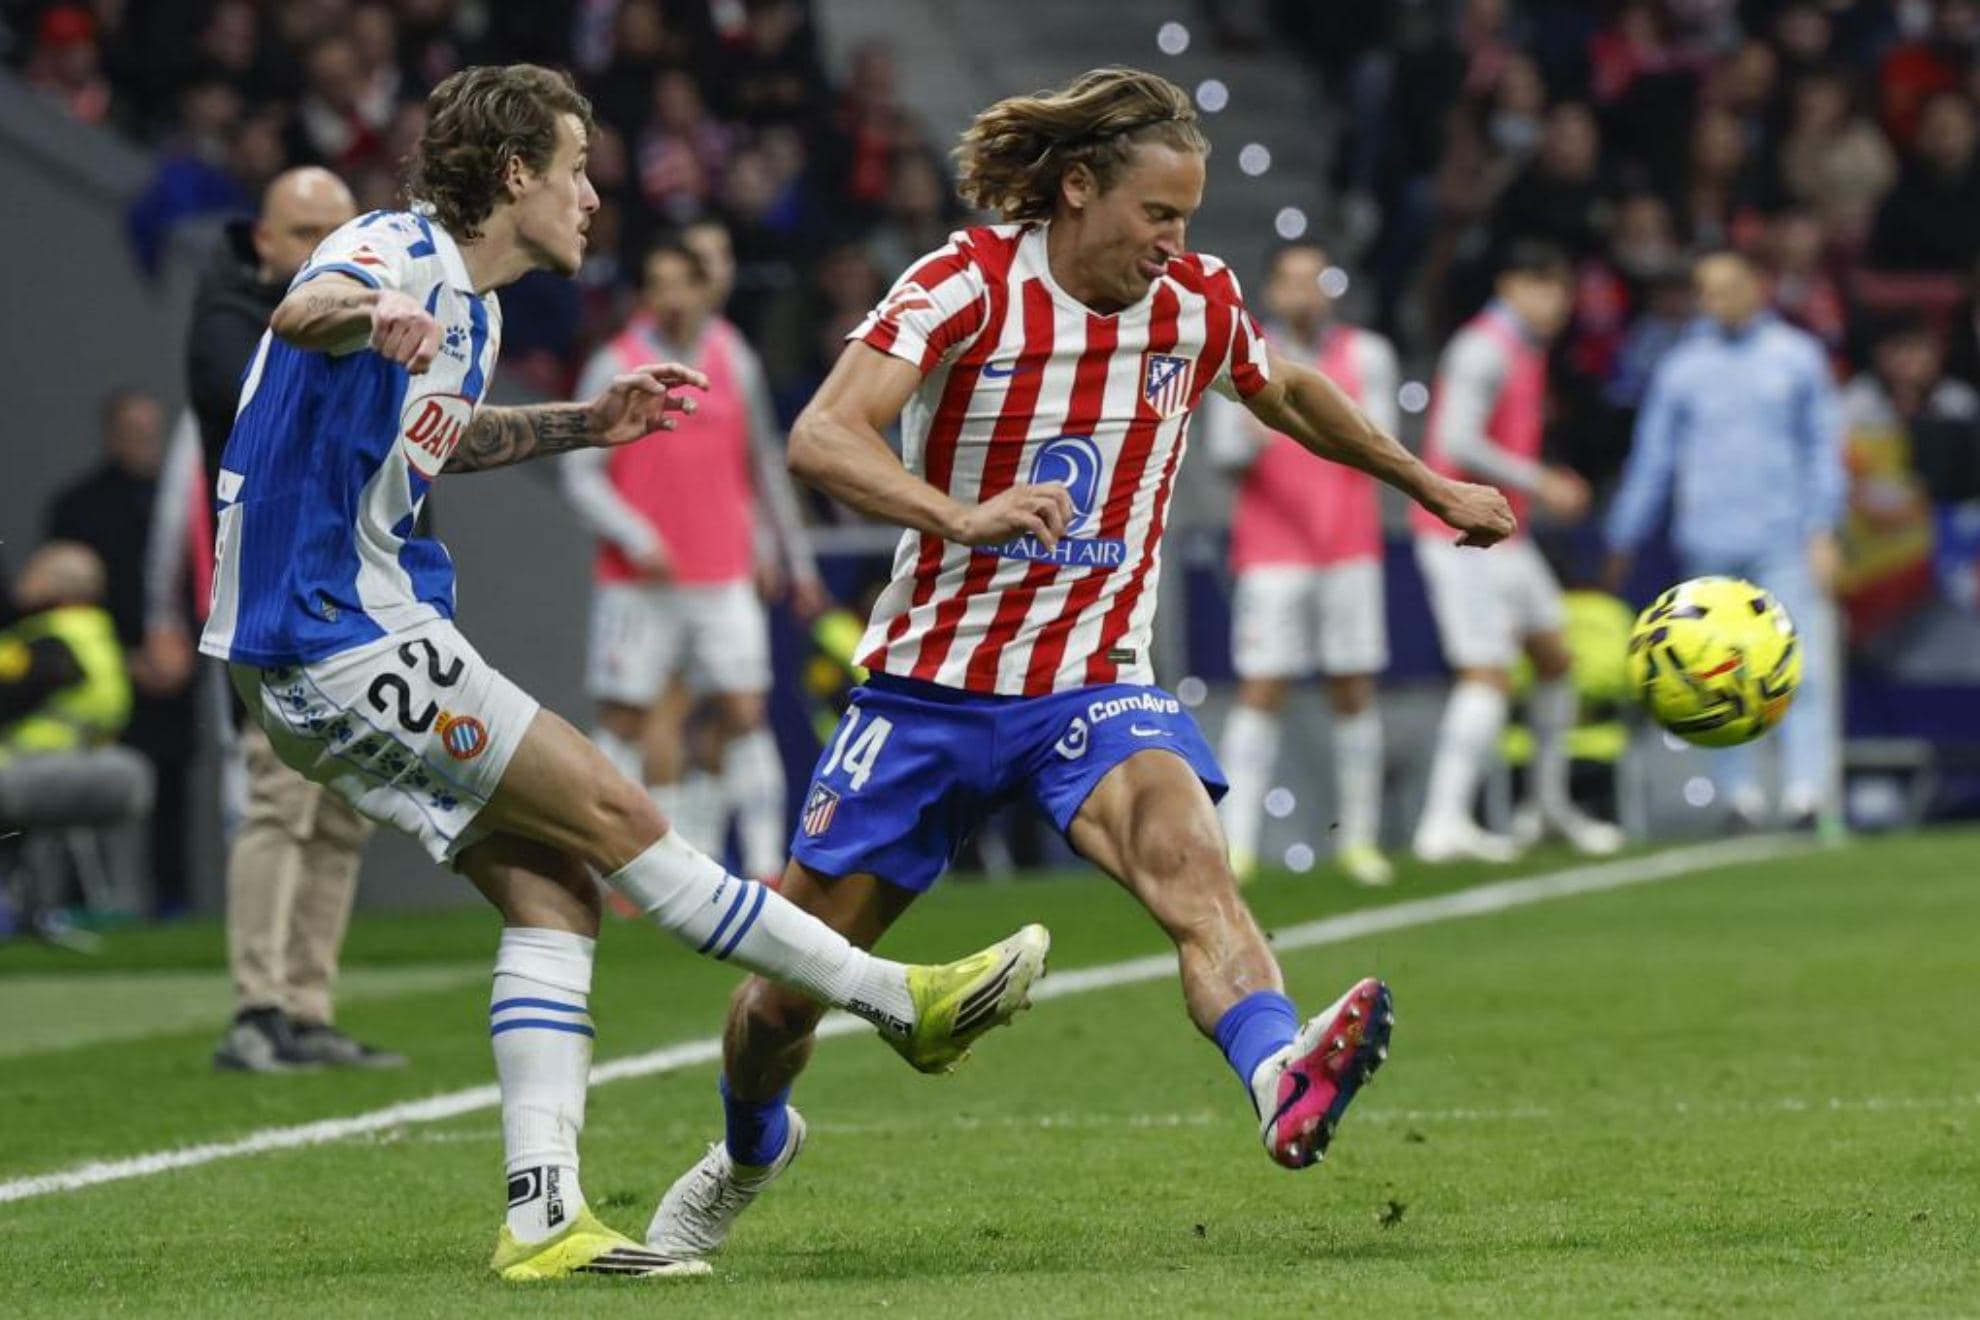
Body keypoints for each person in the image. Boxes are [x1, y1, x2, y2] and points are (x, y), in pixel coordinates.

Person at [644, 67, 1514, 1265]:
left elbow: (1289, 389)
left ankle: (1277, 1075)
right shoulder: (966, 283)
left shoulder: (1194, 302)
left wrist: (1427, 483)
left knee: (1190, 869)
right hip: (928, 687)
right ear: (1077, 187)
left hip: (1092, 677)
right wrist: (958, 514)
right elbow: (823, 434)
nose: (1178, 243)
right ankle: (749, 1147)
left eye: (1190, 221)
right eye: (1160, 215)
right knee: (782, 996)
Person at [195, 63, 1049, 1283]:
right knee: (616, 810)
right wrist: (363, 313)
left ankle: (545, 1219)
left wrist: (584, 421)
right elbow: (309, 304)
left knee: (558, 892)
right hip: (334, 629)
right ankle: (893, 1002)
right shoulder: (399, 249)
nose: (595, 196)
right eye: (577, 167)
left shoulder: (477, 314)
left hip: (325, 641)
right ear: (514, 175)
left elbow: (441, 438)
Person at [144, 166, 403, 1072]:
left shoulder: (368, 306)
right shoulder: (227, 319)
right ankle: (256, 1008)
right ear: (262, 240)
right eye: (301, 234)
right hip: (271, 599)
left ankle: (306, 1005)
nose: (320, 252)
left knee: (343, 812)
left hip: (358, 595)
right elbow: (252, 382)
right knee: (278, 797)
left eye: (334, 232)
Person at [562, 237, 824, 879]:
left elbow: (759, 461)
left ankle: (756, 865)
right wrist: (635, 535)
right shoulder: (614, 366)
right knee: (627, 717)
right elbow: (580, 472)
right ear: (646, 294)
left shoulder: (732, 357)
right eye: (659, 283)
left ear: (704, 287)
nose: (672, 296)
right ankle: (614, 867)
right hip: (639, 582)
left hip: (722, 572)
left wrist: (781, 554)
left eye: (683, 282)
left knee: (743, 710)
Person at [1604, 251, 1846, 830]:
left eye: (1728, 288)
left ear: (1756, 287)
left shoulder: (1797, 357)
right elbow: (1653, 458)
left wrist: (1824, 527)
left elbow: (1823, 449)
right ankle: (1740, 798)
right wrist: (1623, 534)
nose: (1718, 301)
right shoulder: (1682, 367)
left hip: (1783, 536)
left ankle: (1806, 793)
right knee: (1717, 670)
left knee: (1796, 665)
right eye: (1706, 292)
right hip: (1708, 538)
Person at [1409, 242, 1626, 864]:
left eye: (1562, 292)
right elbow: (1455, 440)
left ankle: (1548, 806)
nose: (1556, 304)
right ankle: (1442, 822)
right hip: (1462, 533)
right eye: (1545, 288)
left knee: (1556, 658)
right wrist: (1543, 481)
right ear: (1510, 285)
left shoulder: (1523, 348)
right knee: (1488, 675)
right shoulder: (1483, 348)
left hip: (1507, 534)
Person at [1201, 241, 1400, 887]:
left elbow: (1378, 438)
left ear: (1330, 291)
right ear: (1274, 290)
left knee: (1353, 686)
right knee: (1262, 688)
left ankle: (1359, 842)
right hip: (1271, 549)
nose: (1304, 293)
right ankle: (1238, 847)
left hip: (1348, 546)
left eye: (1315, 281)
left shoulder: (1368, 355)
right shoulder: (1241, 351)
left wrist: (1286, 423)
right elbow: (1227, 450)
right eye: (1291, 281)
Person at [46, 389, 192, 913]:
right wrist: (126, 656)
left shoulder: (179, 505)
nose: (143, 444)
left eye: (150, 432)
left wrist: (182, 652)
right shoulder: (79, 507)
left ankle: (173, 903)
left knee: (172, 792)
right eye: (132, 432)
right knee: (83, 794)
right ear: (111, 435)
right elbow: (65, 601)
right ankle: (82, 899)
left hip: (175, 672)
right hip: (105, 673)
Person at [0, 542, 153, 942]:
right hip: (90, 763)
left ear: (55, 585)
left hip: (33, 766)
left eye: (35, 570)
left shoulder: (49, 640)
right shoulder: (97, 632)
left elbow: (12, 697)